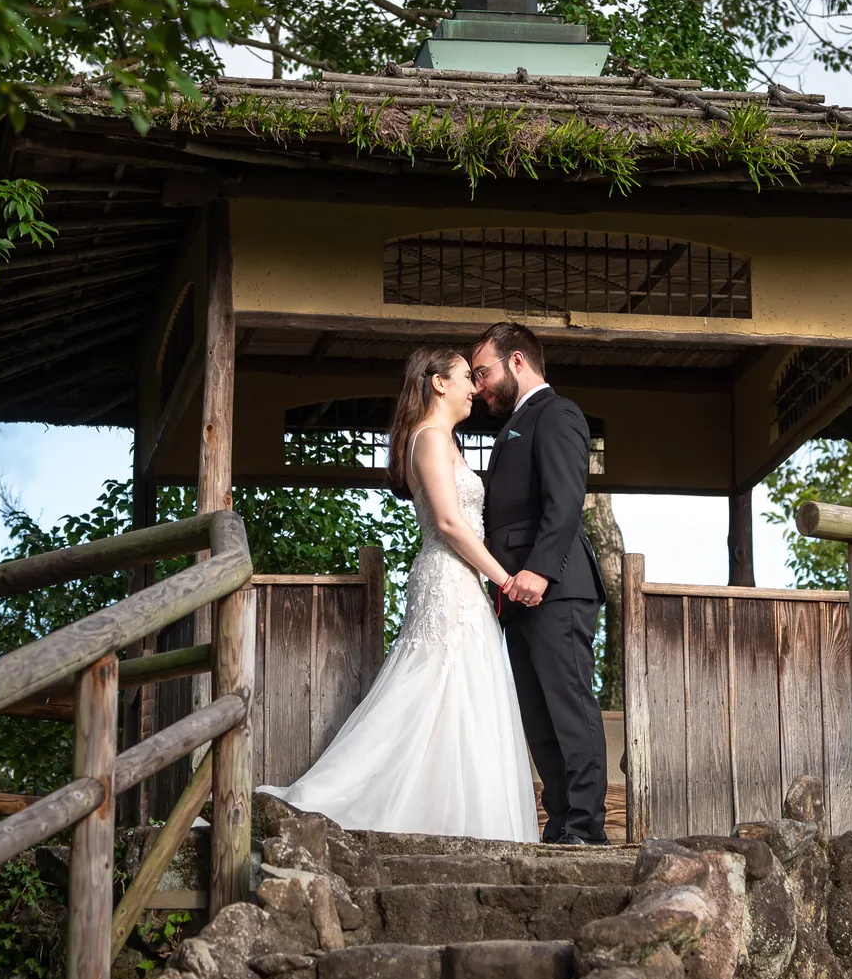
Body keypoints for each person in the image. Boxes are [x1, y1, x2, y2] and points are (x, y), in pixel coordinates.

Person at [260, 346, 539, 841]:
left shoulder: (446, 442)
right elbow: (451, 523)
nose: (475, 388)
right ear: (437, 383)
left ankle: (453, 817)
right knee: (430, 688)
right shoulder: (428, 439)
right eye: (465, 378)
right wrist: (506, 579)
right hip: (447, 580)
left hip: (464, 584)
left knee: (463, 698)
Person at [469, 323, 609, 845]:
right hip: (515, 596)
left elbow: (565, 500)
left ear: (518, 361)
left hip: (556, 587)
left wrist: (540, 570)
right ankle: (560, 822)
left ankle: (587, 829)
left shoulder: (558, 413)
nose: (479, 385)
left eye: (483, 371)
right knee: (538, 716)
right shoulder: (513, 426)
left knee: (569, 705)